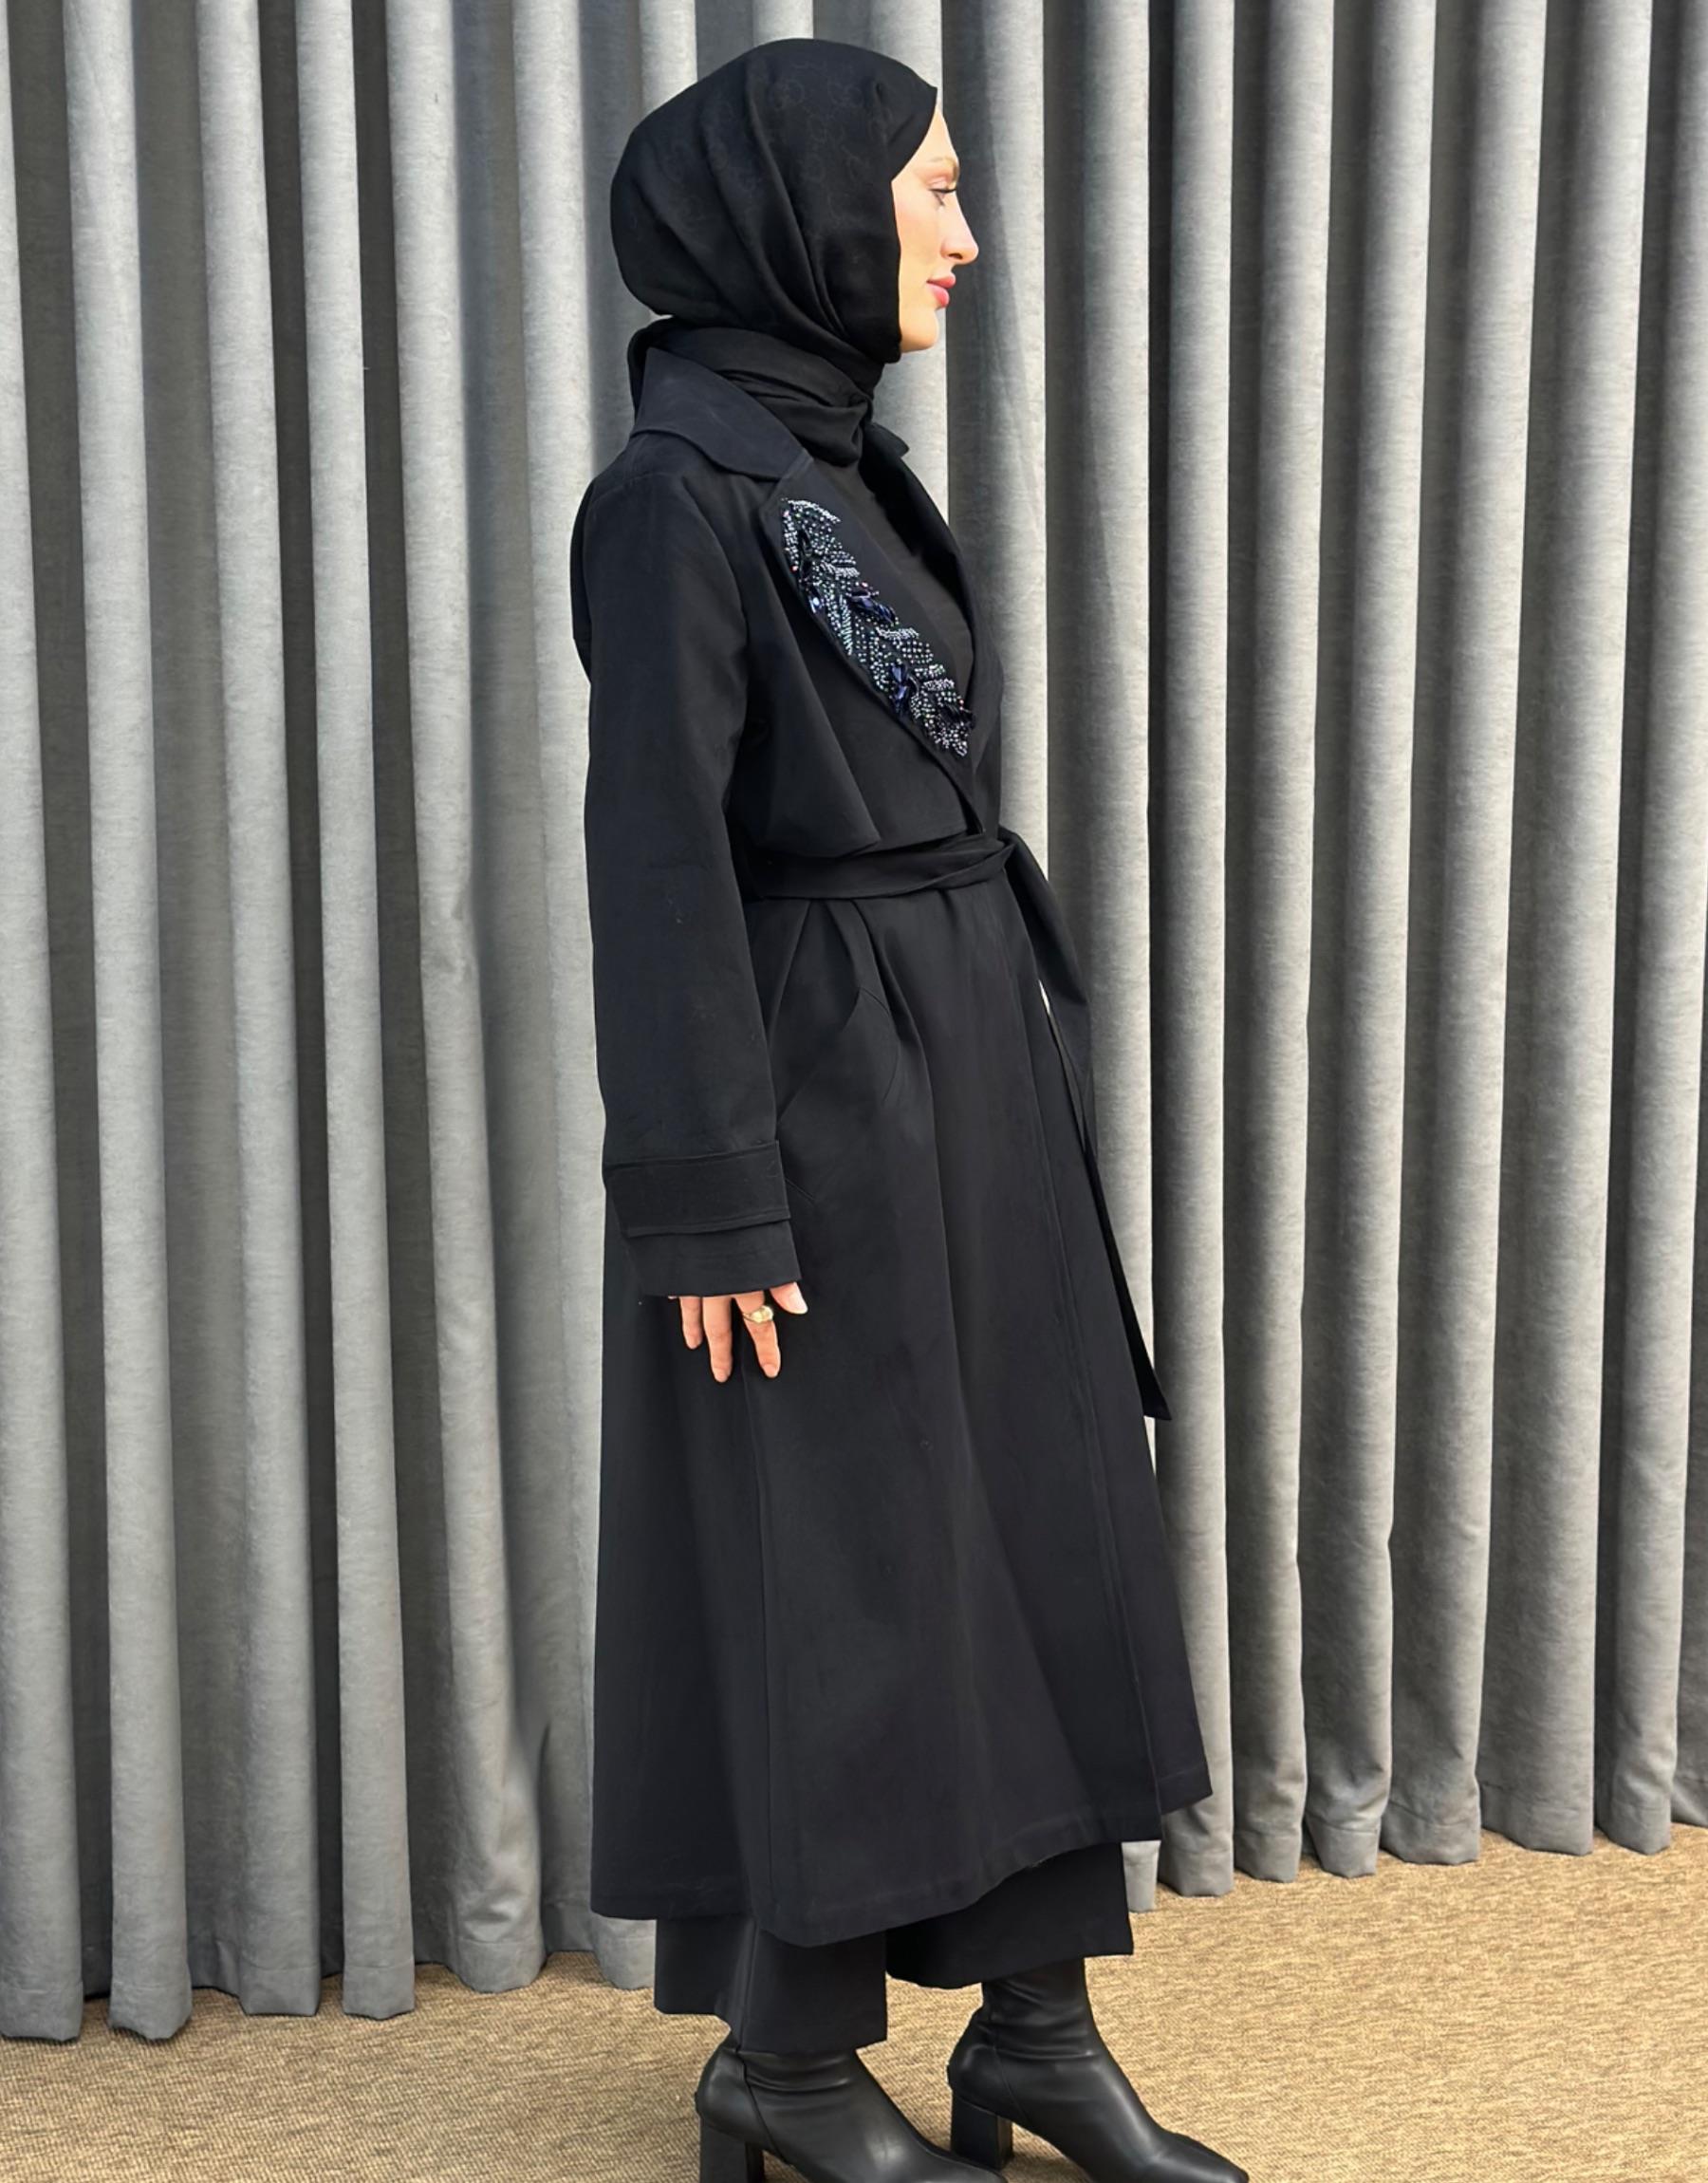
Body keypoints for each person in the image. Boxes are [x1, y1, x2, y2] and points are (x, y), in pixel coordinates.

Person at [570, 36, 1246, 2183]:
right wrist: (709, 1200)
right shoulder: (677, 493)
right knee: (846, 1569)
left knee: (1029, 1527)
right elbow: (658, 862)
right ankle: (780, 2065)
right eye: (932, 190)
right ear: (803, 212)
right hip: (814, 1082)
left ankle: (1034, 2030)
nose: (963, 234)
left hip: (968, 1051)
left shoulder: (838, 458)